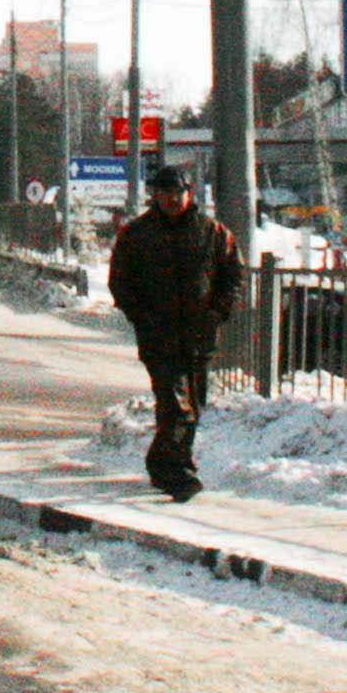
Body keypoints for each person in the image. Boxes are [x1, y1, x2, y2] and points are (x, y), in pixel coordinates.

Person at [108, 164, 241, 501]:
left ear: (189, 194)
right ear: (154, 195)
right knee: (175, 403)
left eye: (176, 192)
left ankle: (160, 462)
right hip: (158, 334)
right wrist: (141, 316)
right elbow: (120, 282)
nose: (170, 199)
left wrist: (217, 312)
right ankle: (178, 474)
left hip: (199, 334)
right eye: (163, 192)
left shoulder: (213, 232)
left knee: (193, 403)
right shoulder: (136, 233)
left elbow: (232, 275)